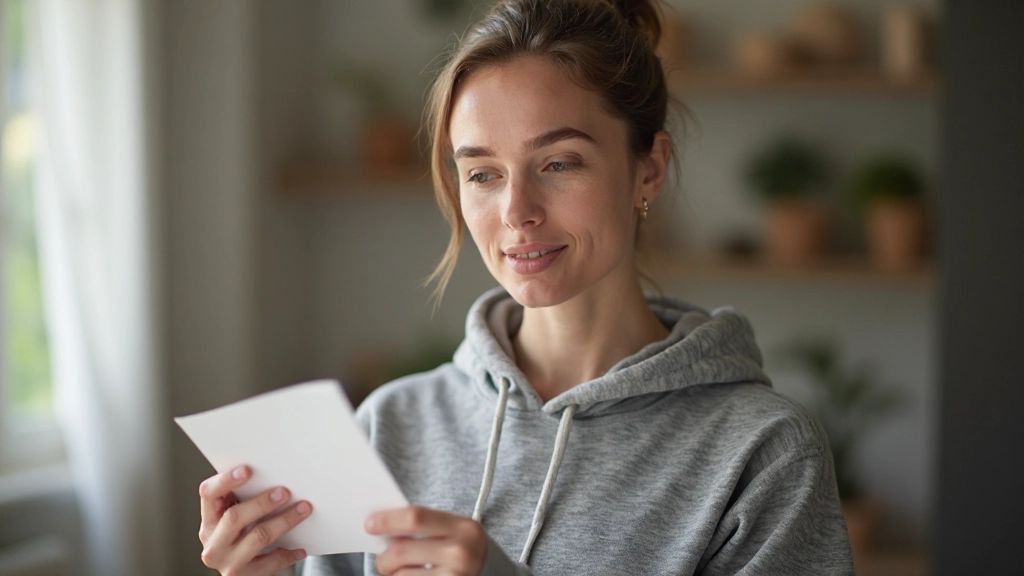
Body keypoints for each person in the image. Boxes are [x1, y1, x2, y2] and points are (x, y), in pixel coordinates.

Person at [197, 0, 855, 574]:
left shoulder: (762, 452)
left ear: (649, 170)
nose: (517, 210)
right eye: (482, 173)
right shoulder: (391, 424)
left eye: (559, 162)